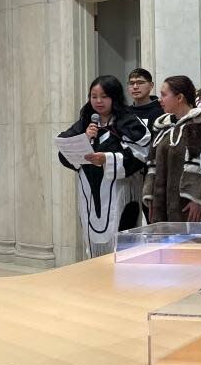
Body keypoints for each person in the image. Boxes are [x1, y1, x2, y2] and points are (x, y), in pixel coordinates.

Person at [57, 76, 150, 257]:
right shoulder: (86, 122)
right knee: (92, 242)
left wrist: (107, 159)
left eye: (104, 96)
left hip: (121, 194)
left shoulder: (128, 121)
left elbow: (141, 154)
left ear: (114, 97)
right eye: (94, 96)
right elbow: (64, 149)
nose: (98, 101)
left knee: (123, 243)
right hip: (90, 195)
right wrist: (84, 137)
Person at [143, 75, 201, 223]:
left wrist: (198, 198)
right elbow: (152, 164)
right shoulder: (163, 127)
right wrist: (151, 197)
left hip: (188, 206)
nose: (159, 99)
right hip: (163, 204)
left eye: (164, 95)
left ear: (179, 98)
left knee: (191, 244)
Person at [122, 67, 164, 228]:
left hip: (151, 174)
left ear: (151, 85)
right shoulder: (124, 113)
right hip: (128, 175)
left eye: (140, 82)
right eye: (131, 83)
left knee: (152, 222)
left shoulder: (160, 111)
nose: (135, 87)